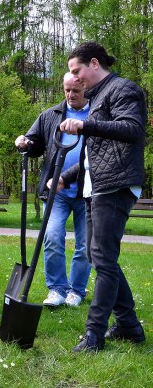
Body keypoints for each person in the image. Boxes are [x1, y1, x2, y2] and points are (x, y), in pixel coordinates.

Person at [57, 42, 147, 352]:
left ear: (94, 63)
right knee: (100, 258)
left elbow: (132, 128)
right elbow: (93, 153)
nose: (75, 78)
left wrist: (86, 124)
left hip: (117, 184)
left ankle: (94, 334)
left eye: (76, 71)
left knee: (104, 260)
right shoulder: (97, 98)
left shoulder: (123, 89)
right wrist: (66, 178)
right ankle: (129, 326)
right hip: (97, 186)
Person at [15, 73, 91, 307]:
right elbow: (34, 142)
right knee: (52, 236)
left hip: (86, 192)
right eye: (66, 90)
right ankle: (57, 289)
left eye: (75, 91)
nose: (70, 95)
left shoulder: (97, 115)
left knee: (85, 244)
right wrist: (25, 142)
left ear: (86, 88)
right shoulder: (51, 115)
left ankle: (76, 291)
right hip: (55, 191)